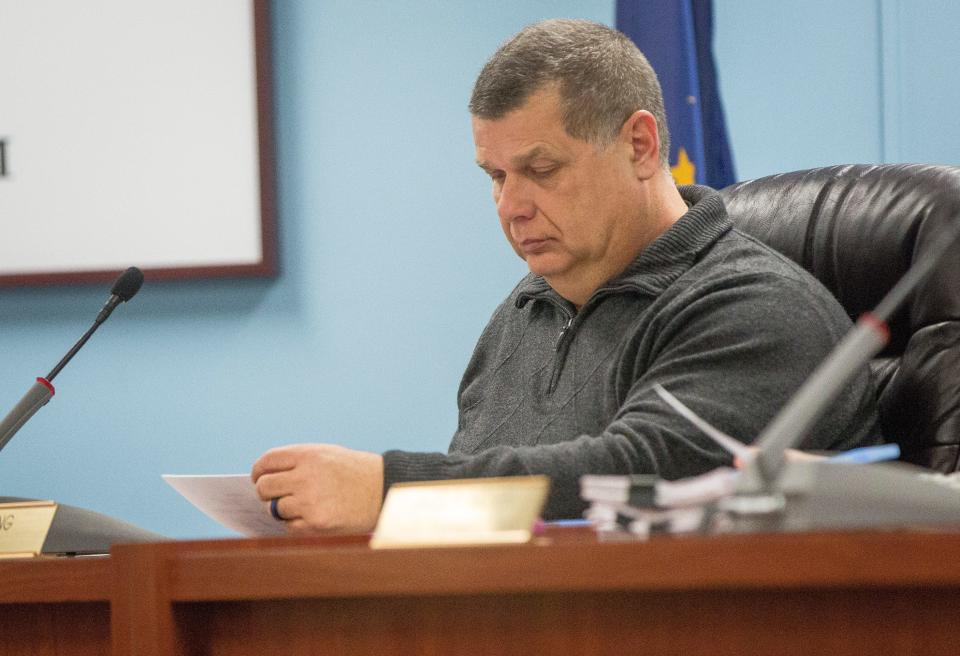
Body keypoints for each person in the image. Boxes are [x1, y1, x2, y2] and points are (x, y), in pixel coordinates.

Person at [251, 19, 880, 533]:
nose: (511, 205)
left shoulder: (756, 308)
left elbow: (645, 477)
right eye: (495, 176)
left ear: (639, 145)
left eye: (541, 169)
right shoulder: (521, 314)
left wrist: (393, 490)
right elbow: (488, 520)